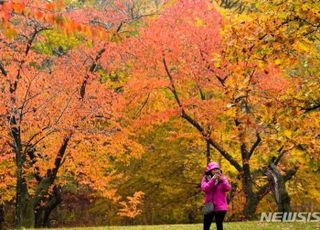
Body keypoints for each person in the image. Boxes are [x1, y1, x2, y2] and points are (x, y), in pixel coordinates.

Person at [201, 162, 231, 230]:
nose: (215, 171)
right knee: (206, 225)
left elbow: (228, 188)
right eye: (213, 169)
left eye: (217, 169)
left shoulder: (223, 178)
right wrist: (212, 180)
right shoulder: (205, 178)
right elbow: (205, 189)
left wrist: (223, 180)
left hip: (221, 204)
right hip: (208, 204)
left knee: (219, 225)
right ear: (210, 170)